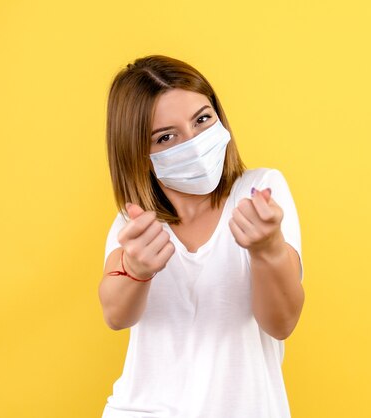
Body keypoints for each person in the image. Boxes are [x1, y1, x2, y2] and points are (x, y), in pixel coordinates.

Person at [98, 54, 305, 418]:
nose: (193, 142)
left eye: (202, 119)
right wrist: (135, 269)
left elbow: (281, 323)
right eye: (166, 136)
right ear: (138, 154)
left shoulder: (259, 193)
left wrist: (268, 250)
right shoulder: (136, 225)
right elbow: (115, 314)